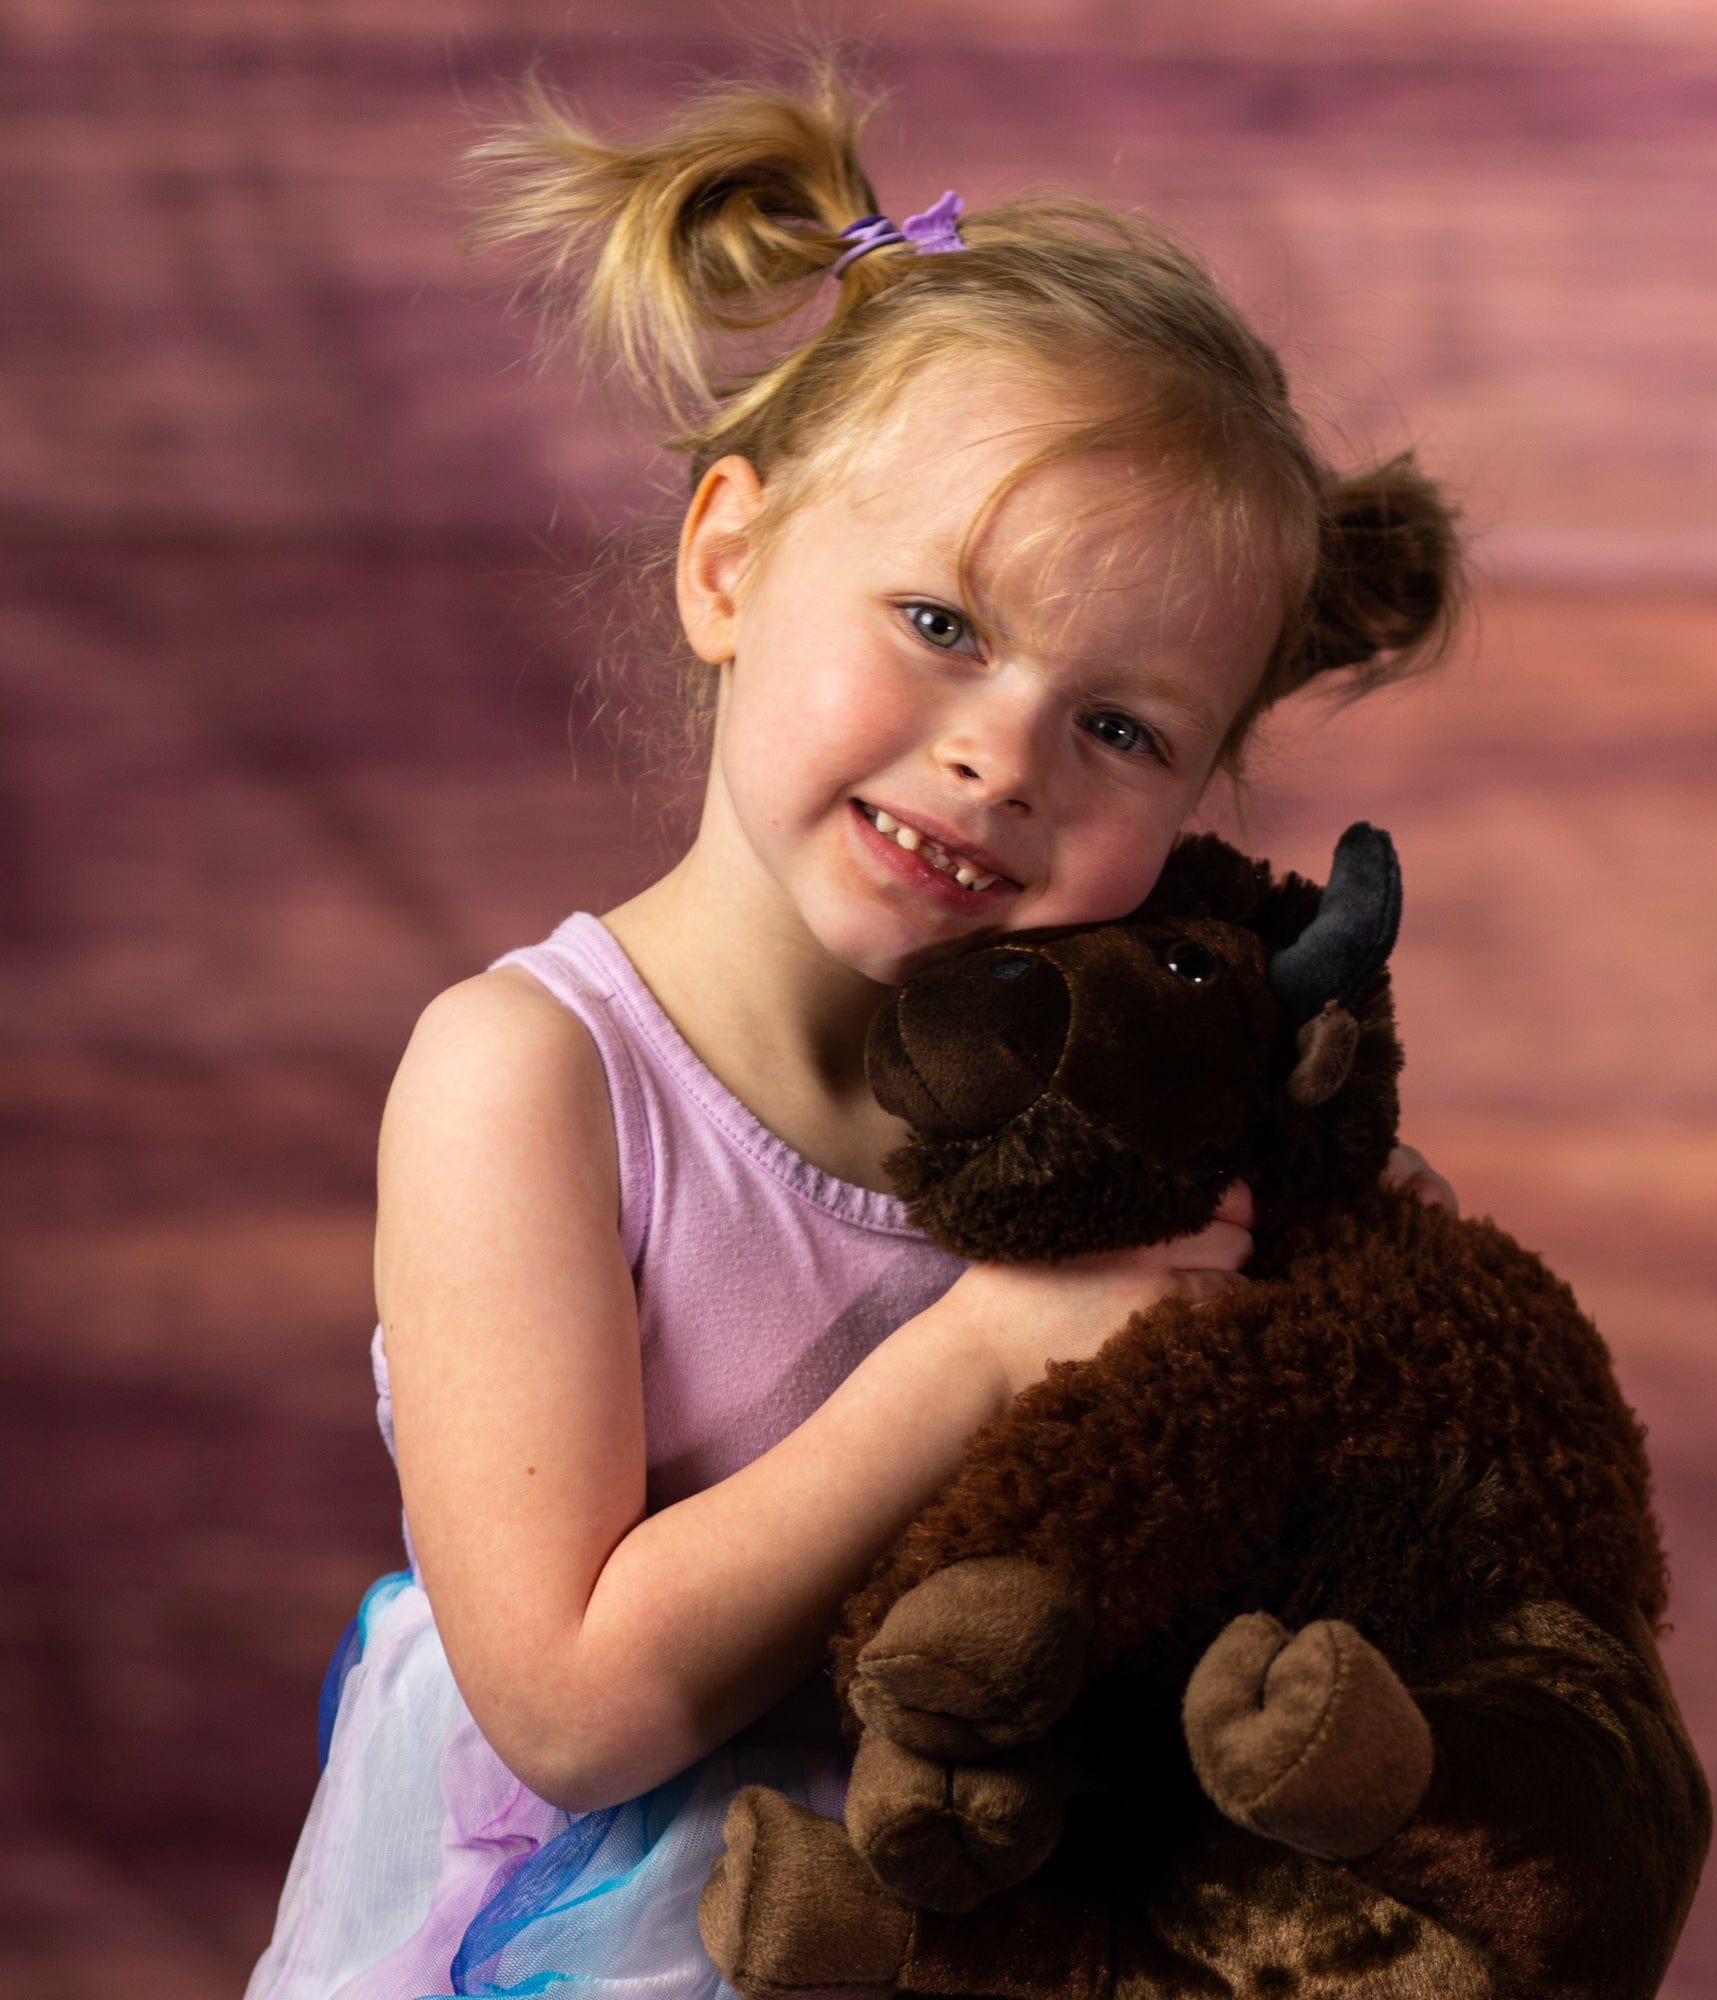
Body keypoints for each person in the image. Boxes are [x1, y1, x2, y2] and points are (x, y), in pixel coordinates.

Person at [245, 52, 1468, 1998]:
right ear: (730, 558)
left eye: (1123, 726)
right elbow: (567, 1701)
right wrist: (984, 1346)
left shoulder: (1133, 1125)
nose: (999, 755)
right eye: (942, 623)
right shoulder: (534, 1079)